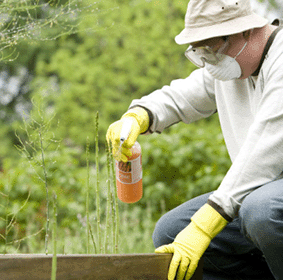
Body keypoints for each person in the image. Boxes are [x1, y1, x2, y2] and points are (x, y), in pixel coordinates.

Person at [106, 0, 283, 279]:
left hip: (268, 199)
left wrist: (204, 226)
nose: (209, 60)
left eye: (212, 49)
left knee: (261, 211)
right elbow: (185, 95)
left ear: (245, 32)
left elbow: (263, 155)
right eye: (201, 51)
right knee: (172, 230)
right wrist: (139, 115)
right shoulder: (233, 67)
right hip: (261, 193)